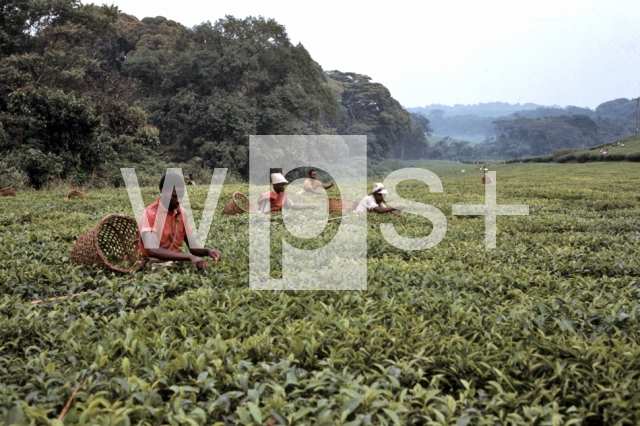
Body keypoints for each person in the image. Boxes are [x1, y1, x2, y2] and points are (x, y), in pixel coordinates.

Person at [138, 173, 221, 270]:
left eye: (181, 196)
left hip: (175, 261)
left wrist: (208, 251)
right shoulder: (151, 214)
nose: (178, 200)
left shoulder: (181, 212)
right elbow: (152, 250)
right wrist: (189, 257)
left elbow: (192, 246)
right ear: (162, 191)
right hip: (152, 263)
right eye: (174, 196)